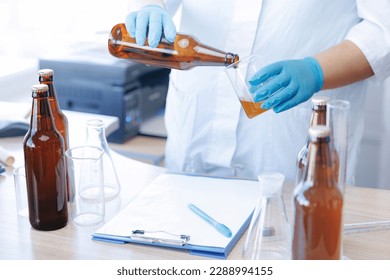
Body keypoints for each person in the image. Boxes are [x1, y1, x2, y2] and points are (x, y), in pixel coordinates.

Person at [126, 0, 390, 183]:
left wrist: (315, 70)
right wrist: (149, 6)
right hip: (194, 139)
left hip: (287, 150)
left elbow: (383, 31)